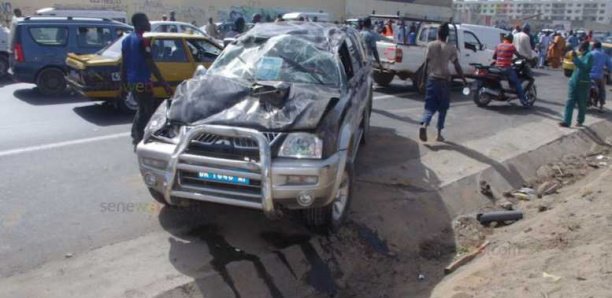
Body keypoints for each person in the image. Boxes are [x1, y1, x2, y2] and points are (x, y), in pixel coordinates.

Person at [122, 13, 173, 148]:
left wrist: (123, 83)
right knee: (146, 111)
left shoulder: (126, 40)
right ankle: (139, 138)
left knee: (142, 108)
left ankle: (135, 133)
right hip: (143, 82)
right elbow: (150, 63)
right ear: (140, 24)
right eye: (147, 21)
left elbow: (123, 64)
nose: (149, 24)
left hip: (133, 82)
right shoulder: (143, 40)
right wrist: (164, 84)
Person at [419, 22, 467, 142]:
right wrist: (464, 79)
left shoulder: (430, 45)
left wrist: (422, 81)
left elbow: (426, 64)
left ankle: (424, 124)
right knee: (443, 108)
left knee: (429, 106)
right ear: (447, 35)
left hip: (432, 79)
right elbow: (456, 65)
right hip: (444, 81)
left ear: (437, 33)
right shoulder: (451, 48)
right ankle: (439, 134)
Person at [559, 41, 593, 128]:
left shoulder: (589, 56)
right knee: (569, 101)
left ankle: (580, 120)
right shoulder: (580, 55)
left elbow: (585, 67)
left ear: (584, 47)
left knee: (581, 103)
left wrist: (576, 58)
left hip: (583, 83)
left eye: (581, 46)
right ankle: (566, 121)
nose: (579, 48)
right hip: (574, 81)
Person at [493, 34, 529, 106]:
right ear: (511, 39)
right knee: (517, 82)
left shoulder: (499, 45)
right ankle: (523, 101)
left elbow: (494, 57)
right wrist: (525, 58)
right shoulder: (511, 46)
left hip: (497, 67)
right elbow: (518, 56)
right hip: (506, 68)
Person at [589, 41, 612, 111]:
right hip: (600, 75)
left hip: (590, 75)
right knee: (602, 90)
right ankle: (601, 106)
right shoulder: (604, 54)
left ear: (594, 46)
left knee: (586, 88)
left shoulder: (590, 54)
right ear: (600, 47)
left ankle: (587, 102)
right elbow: (610, 65)